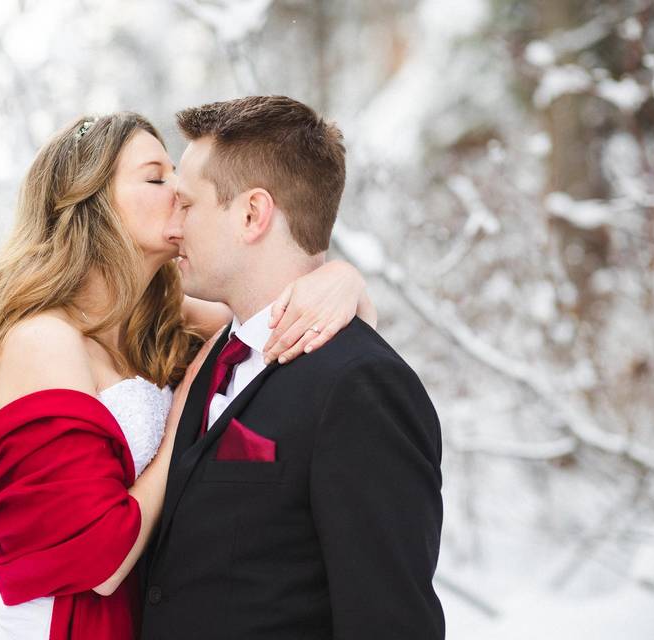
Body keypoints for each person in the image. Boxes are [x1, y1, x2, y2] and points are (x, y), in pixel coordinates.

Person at [0, 111, 377, 640]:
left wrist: (341, 277)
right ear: (91, 204)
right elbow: (101, 562)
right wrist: (182, 420)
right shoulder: (42, 339)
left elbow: (286, 317)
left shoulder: (164, 320)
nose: (179, 188)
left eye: (177, 174)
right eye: (156, 178)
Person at [141, 96, 445, 639]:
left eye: (187, 205)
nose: (174, 225)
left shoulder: (359, 385)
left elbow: (390, 621)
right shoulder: (203, 351)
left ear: (253, 214)